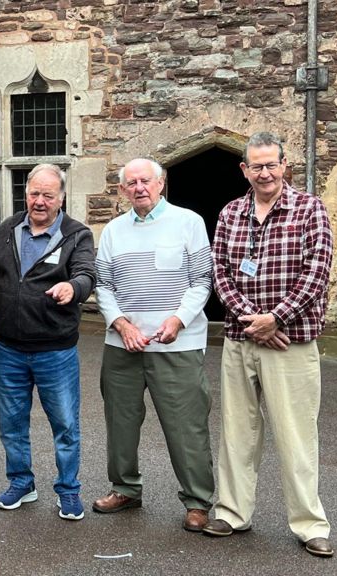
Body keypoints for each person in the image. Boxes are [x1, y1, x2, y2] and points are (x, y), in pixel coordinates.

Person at [204, 132, 335, 558]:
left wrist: (275, 318)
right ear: (244, 169)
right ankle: (232, 512)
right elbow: (219, 273)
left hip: (290, 343)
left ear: (285, 166)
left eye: (271, 165)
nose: (265, 173)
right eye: (256, 166)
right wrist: (252, 321)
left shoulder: (310, 209)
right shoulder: (231, 213)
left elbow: (317, 272)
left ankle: (310, 524)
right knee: (237, 431)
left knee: (297, 436)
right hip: (242, 341)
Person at [0, 163, 95, 521]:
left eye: (48, 195)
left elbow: (88, 274)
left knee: (65, 425)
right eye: (34, 193)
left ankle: (69, 490)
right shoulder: (10, 227)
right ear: (26, 193)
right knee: (11, 423)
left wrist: (73, 288)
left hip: (55, 351)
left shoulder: (77, 235)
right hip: (8, 348)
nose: (39, 201)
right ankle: (21, 482)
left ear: (62, 198)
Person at [92, 158, 215, 532]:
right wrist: (121, 324)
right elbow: (103, 285)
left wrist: (178, 319)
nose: (139, 187)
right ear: (122, 190)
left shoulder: (188, 222)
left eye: (146, 180)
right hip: (122, 345)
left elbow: (202, 281)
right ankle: (125, 488)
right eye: (131, 183)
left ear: (161, 183)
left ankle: (197, 501)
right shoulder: (113, 230)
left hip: (176, 344)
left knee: (186, 426)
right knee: (121, 423)